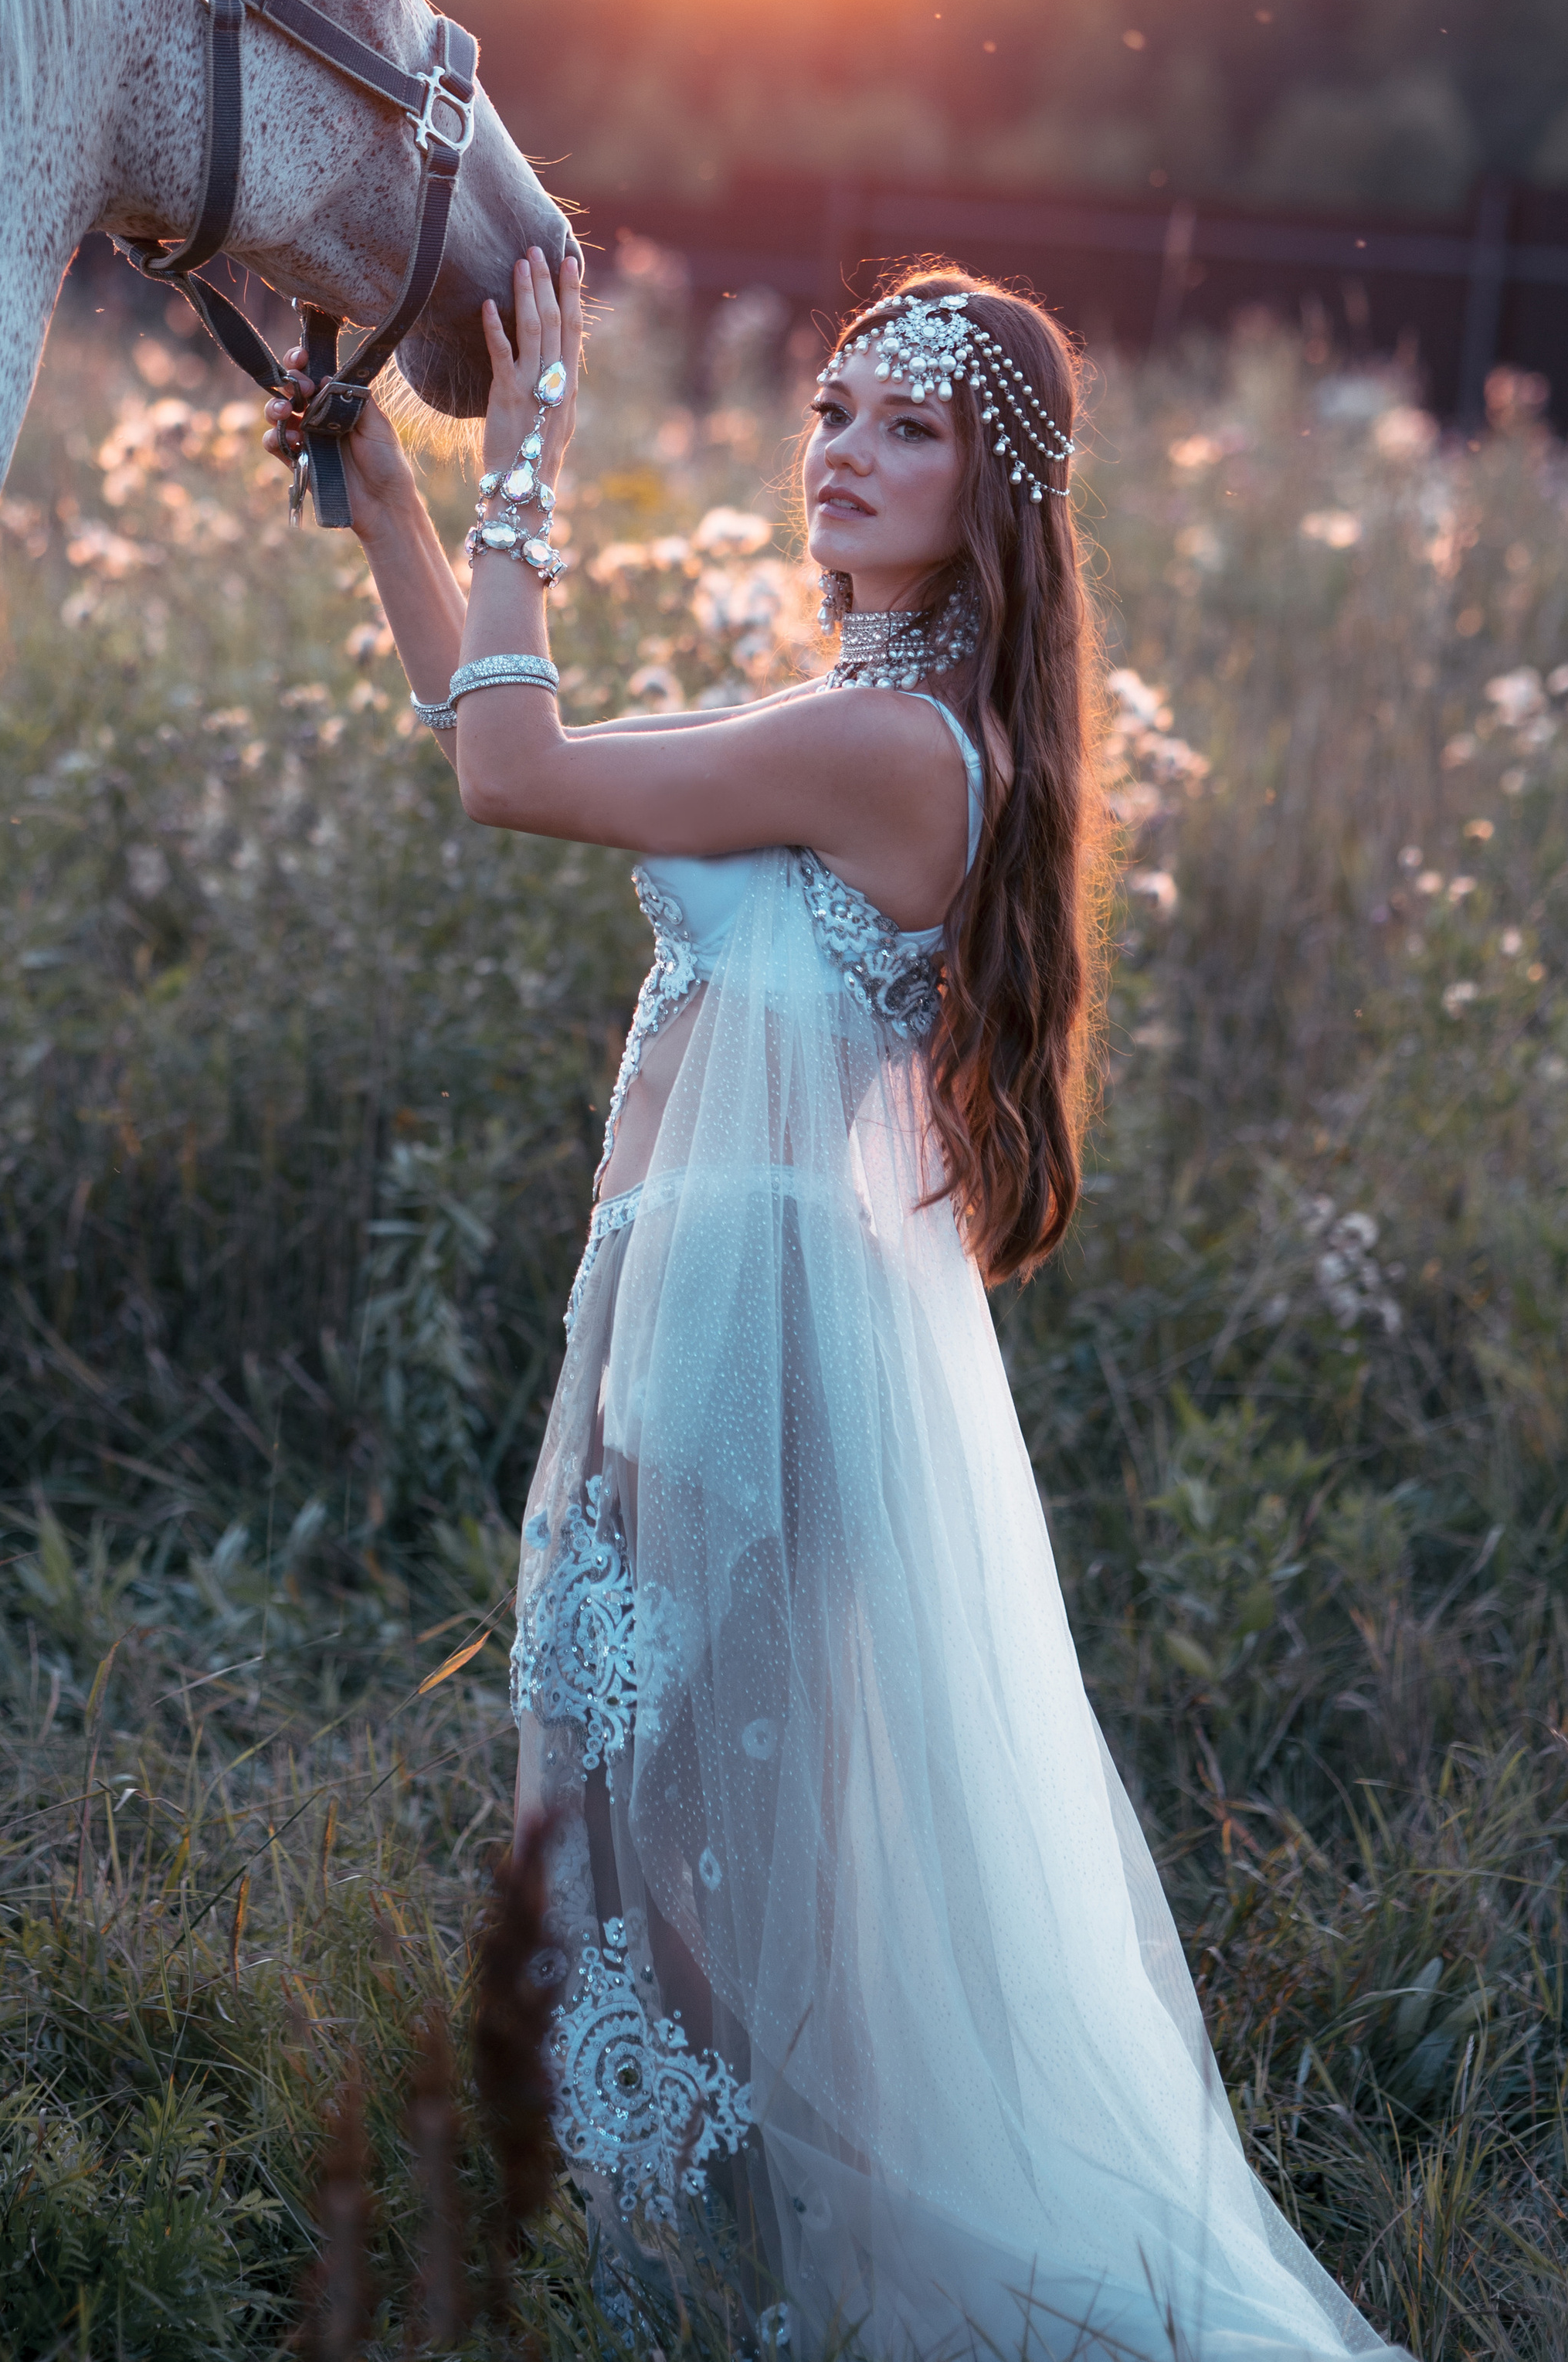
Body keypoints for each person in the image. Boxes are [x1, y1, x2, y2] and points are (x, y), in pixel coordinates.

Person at [264, 250, 1405, 2362]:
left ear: (1002, 493)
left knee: (711, 1865)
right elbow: (524, 730)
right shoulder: (852, 720)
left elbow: (510, 774)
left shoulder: (892, 751)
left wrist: (526, 455)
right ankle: (719, 2275)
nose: (846, 456)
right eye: (835, 412)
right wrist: (402, 514)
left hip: (775, 1355)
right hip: (717, 1327)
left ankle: (771, 2289)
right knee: (650, 1839)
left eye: (913, 425)